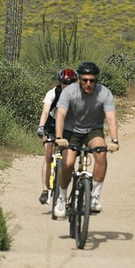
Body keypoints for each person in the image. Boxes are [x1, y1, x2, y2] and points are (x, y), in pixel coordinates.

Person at [54, 61, 119, 218]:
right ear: (79, 79)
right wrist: (59, 137)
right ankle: (61, 199)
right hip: (70, 131)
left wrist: (114, 140)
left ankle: (95, 196)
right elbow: (61, 115)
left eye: (92, 80)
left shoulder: (104, 93)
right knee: (68, 163)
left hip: (93, 130)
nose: (88, 83)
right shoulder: (69, 92)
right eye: (85, 80)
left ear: (96, 80)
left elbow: (111, 117)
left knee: (101, 153)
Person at [37, 68, 78, 204]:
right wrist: (41, 127)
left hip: (69, 127)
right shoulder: (52, 93)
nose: (66, 86)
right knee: (49, 156)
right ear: (60, 82)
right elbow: (45, 112)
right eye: (64, 83)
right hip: (52, 125)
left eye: (70, 83)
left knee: (69, 159)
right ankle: (44, 190)